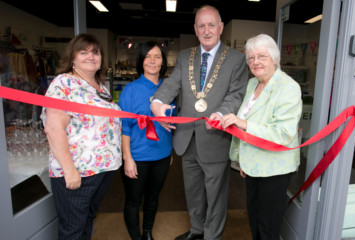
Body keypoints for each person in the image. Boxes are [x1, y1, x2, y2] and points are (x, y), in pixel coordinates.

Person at [151, 5, 248, 240]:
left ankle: (212, 235)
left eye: (211, 25)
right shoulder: (185, 56)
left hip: (215, 136)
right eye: (201, 26)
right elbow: (171, 84)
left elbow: (236, 94)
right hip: (186, 137)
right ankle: (196, 231)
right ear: (195, 29)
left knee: (215, 194)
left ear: (221, 27)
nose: (206, 31)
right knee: (192, 191)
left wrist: (221, 113)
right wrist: (157, 101)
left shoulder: (237, 59)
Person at [220, 34, 302, 240]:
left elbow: (283, 133)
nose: (255, 62)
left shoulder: (288, 87)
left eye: (262, 56)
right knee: (255, 219)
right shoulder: (252, 84)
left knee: (268, 227)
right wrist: (242, 160)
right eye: (251, 57)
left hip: (275, 168)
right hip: (253, 165)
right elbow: (243, 123)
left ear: (275, 58)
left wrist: (244, 124)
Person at [40, 34, 122, 240]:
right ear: (73, 58)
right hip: (78, 173)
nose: (91, 56)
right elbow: (53, 128)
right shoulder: (64, 83)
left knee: (86, 221)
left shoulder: (99, 87)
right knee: (73, 229)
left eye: (95, 52)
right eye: (83, 52)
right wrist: (70, 171)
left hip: (101, 170)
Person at [118, 41, 175, 240]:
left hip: (162, 155)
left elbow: (171, 123)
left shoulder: (169, 89)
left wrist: (170, 152)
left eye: (157, 56)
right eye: (148, 56)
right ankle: (136, 237)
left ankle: (147, 233)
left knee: (152, 198)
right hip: (137, 156)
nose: (152, 61)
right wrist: (128, 158)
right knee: (134, 201)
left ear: (163, 62)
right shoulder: (131, 90)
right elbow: (124, 127)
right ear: (141, 61)